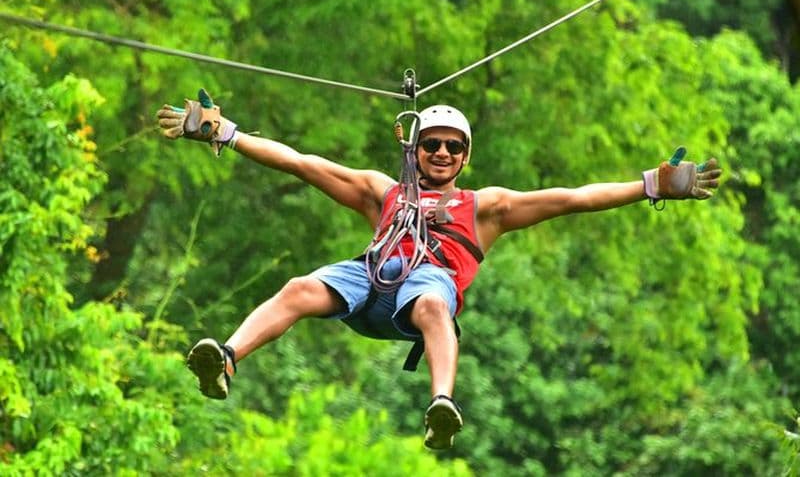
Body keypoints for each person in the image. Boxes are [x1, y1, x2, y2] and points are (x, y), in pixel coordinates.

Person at [156, 90, 721, 450]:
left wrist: (648, 185)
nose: (442, 153)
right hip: (373, 277)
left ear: (465, 155)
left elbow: (572, 197)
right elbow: (303, 163)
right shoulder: (384, 192)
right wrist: (227, 133)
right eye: (432, 145)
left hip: (426, 291)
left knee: (431, 300)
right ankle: (226, 359)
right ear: (416, 149)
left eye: (453, 146)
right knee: (301, 286)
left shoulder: (487, 208)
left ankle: (441, 404)